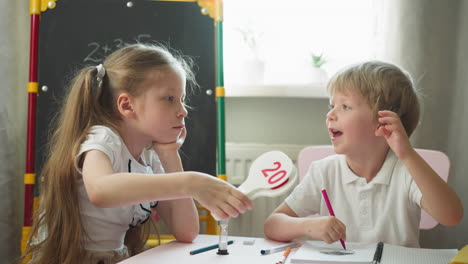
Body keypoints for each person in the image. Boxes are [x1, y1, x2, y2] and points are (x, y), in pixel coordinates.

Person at [22, 43, 253, 264]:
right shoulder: (102, 138)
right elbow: (101, 190)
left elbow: (186, 232)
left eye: (182, 100)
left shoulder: (150, 157)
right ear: (127, 105)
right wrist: (191, 182)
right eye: (169, 99)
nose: (183, 111)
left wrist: (170, 155)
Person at [264, 61, 463, 247]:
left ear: (382, 122)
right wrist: (307, 227)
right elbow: (272, 225)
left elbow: (451, 216)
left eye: (345, 106)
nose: (330, 114)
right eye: (332, 106)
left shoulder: (407, 171)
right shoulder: (324, 171)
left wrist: (408, 155)